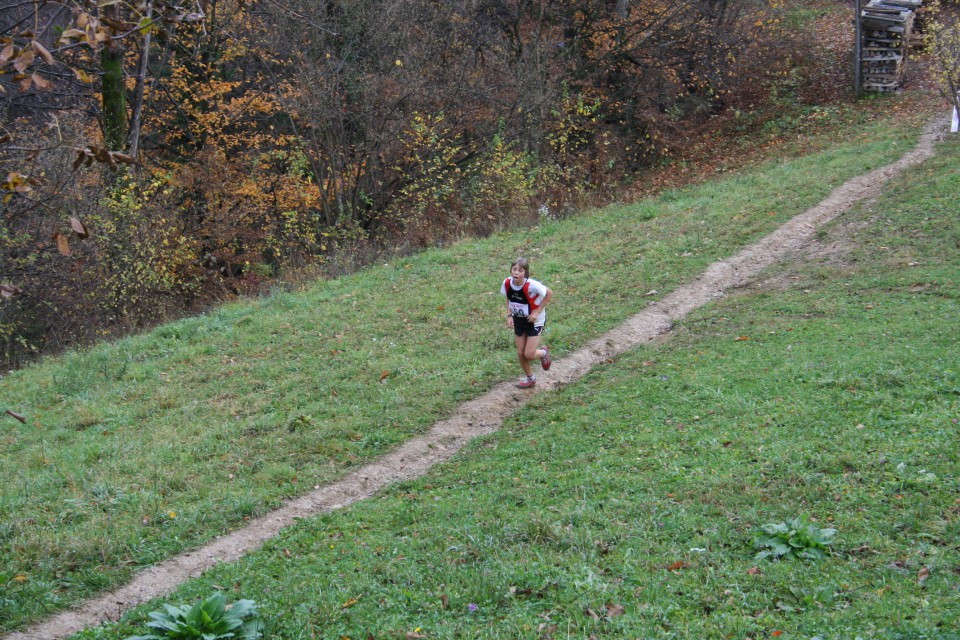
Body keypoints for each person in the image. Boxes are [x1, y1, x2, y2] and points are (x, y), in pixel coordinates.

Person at [501, 257, 553, 388]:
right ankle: (531, 378)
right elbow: (508, 298)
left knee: (529, 354)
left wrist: (537, 312)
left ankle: (543, 353)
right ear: (511, 270)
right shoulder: (507, 283)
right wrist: (509, 316)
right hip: (519, 319)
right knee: (520, 353)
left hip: (534, 321)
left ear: (525, 273)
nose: (516, 273)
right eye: (514, 269)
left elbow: (549, 294)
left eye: (520, 270)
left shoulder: (532, 285)